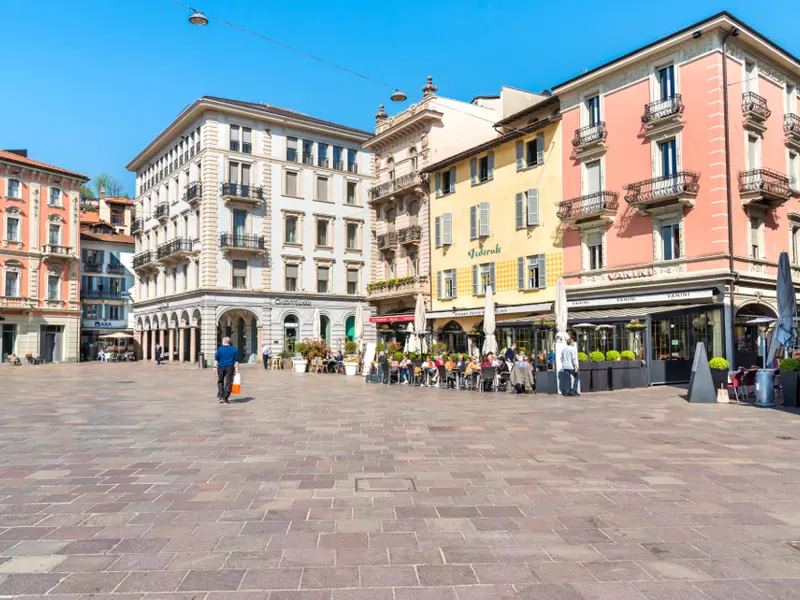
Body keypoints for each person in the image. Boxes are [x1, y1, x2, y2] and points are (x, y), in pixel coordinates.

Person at [213, 336, 239, 404]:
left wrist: (215, 367)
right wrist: (236, 368)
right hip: (230, 367)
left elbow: (216, 359)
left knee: (220, 381)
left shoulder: (220, 349)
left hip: (221, 367)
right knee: (229, 382)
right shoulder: (234, 349)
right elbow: (236, 360)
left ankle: (221, 396)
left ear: (224, 342)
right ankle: (225, 398)